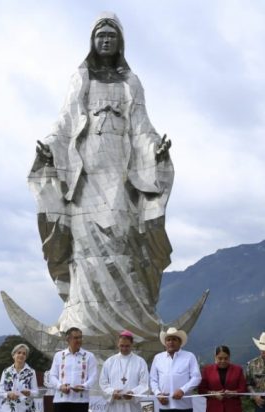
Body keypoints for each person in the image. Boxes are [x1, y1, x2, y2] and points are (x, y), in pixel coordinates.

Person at [30, 12, 174, 339]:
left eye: (111, 35)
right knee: (83, 242)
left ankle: (132, 320)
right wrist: (50, 147)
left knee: (122, 235)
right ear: (92, 41)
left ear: (120, 41)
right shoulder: (81, 79)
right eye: (101, 35)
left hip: (120, 171)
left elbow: (142, 127)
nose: (106, 40)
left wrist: (155, 149)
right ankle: (83, 319)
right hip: (86, 173)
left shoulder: (130, 82)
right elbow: (65, 122)